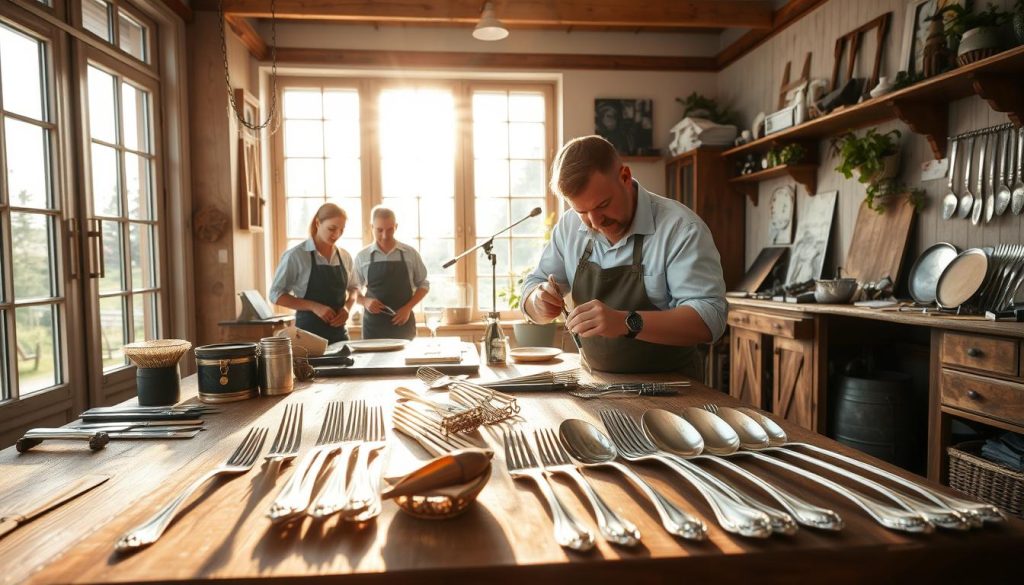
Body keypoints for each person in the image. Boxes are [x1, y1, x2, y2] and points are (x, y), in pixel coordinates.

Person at [521, 135, 727, 377]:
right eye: (582, 212)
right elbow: (532, 288)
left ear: (625, 177)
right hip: (595, 386)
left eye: (602, 205)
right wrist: (538, 302)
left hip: (672, 390)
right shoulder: (568, 228)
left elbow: (709, 318)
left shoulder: (681, 228)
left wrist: (625, 322)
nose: (596, 222)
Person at [269, 203, 358, 343]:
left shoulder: (345, 256)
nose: (337, 234)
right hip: (307, 339)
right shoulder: (296, 256)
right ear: (317, 223)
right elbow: (276, 295)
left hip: (340, 338)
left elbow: (354, 288)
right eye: (332, 228)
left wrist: (347, 307)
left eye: (341, 230)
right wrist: (314, 306)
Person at [352, 206, 430, 340]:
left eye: (390, 230)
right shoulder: (362, 256)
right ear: (372, 227)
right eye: (379, 230)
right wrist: (365, 301)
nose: (384, 235)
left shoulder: (410, 253)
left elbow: (423, 285)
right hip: (373, 327)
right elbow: (353, 290)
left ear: (396, 226)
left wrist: (408, 308)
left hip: (403, 324)